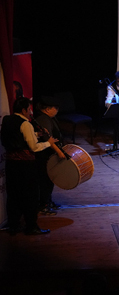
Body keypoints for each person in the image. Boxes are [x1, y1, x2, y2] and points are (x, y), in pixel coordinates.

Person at [1, 97, 62, 235]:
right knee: (30, 195)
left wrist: (37, 134)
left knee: (14, 195)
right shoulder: (26, 123)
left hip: (11, 164)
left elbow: (18, 136)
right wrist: (49, 142)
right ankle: (31, 227)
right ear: (24, 110)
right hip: (25, 165)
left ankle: (14, 225)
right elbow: (34, 147)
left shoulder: (7, 120)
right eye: (29, 109)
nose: (30, 112)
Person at [33, 98, 66, 214]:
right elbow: (48, 139)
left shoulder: (49, 118)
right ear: (47, 109)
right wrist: (59, 152)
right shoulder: (43, 119)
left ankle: (48, 201)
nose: (57, 110)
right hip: (44, 155)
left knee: (49, 179)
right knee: (45, 180)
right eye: (55, 108)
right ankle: (43, 205)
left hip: (48, 155)